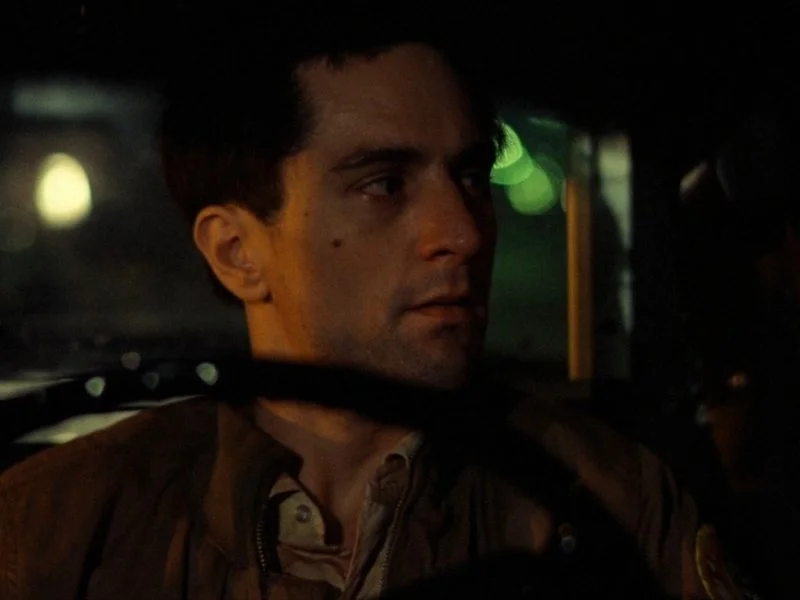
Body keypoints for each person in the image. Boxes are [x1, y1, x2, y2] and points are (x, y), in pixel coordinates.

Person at [0, 13, 715, 599]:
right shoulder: (56, 526)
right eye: (384, 184)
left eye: (471, 176)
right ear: (237, 252)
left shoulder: (611, 498)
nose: (463, 233)